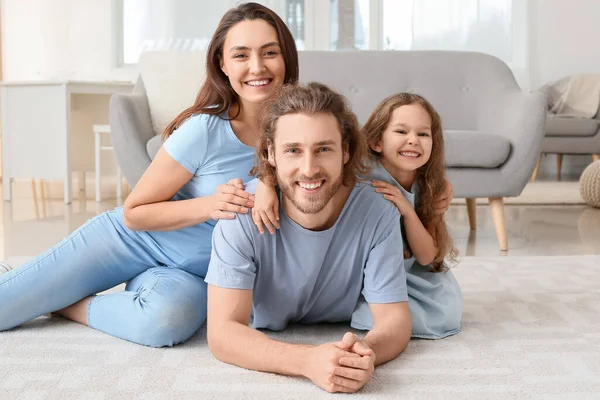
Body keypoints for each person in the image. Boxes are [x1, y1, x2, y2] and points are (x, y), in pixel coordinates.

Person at [0, 2, 299, 348]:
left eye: (269, 52)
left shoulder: (300, 127)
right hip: (131, 241)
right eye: (241, 55)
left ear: (286, 57)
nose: (257, 67)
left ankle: (67, 303)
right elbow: (134, 212)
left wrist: (377, 184)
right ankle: (22, 283)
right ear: (222, 64)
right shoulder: (204, 130)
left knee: (165, 322)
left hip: (193, 272)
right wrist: (210, 205)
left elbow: (340, 160)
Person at [205, 82, 412, 394]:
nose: (309, 168)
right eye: (293, 151)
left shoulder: (378, 210)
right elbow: (222, 333)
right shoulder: (241, 213)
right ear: (270, 154)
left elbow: (395, 320)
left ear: (346, 151)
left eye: (324, 149)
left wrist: (363, 354)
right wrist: (306, 361)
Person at [253, 92, 463, 339]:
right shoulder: (361, 174)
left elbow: (427, 256)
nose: (413, 141)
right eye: (401, 132)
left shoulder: (428, 187)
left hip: (409, 273)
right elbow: (305, 167)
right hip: (362, 273)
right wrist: (265, 184)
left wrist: (407, 210)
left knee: (438, 313)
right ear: (376, 142)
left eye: (423, 134)